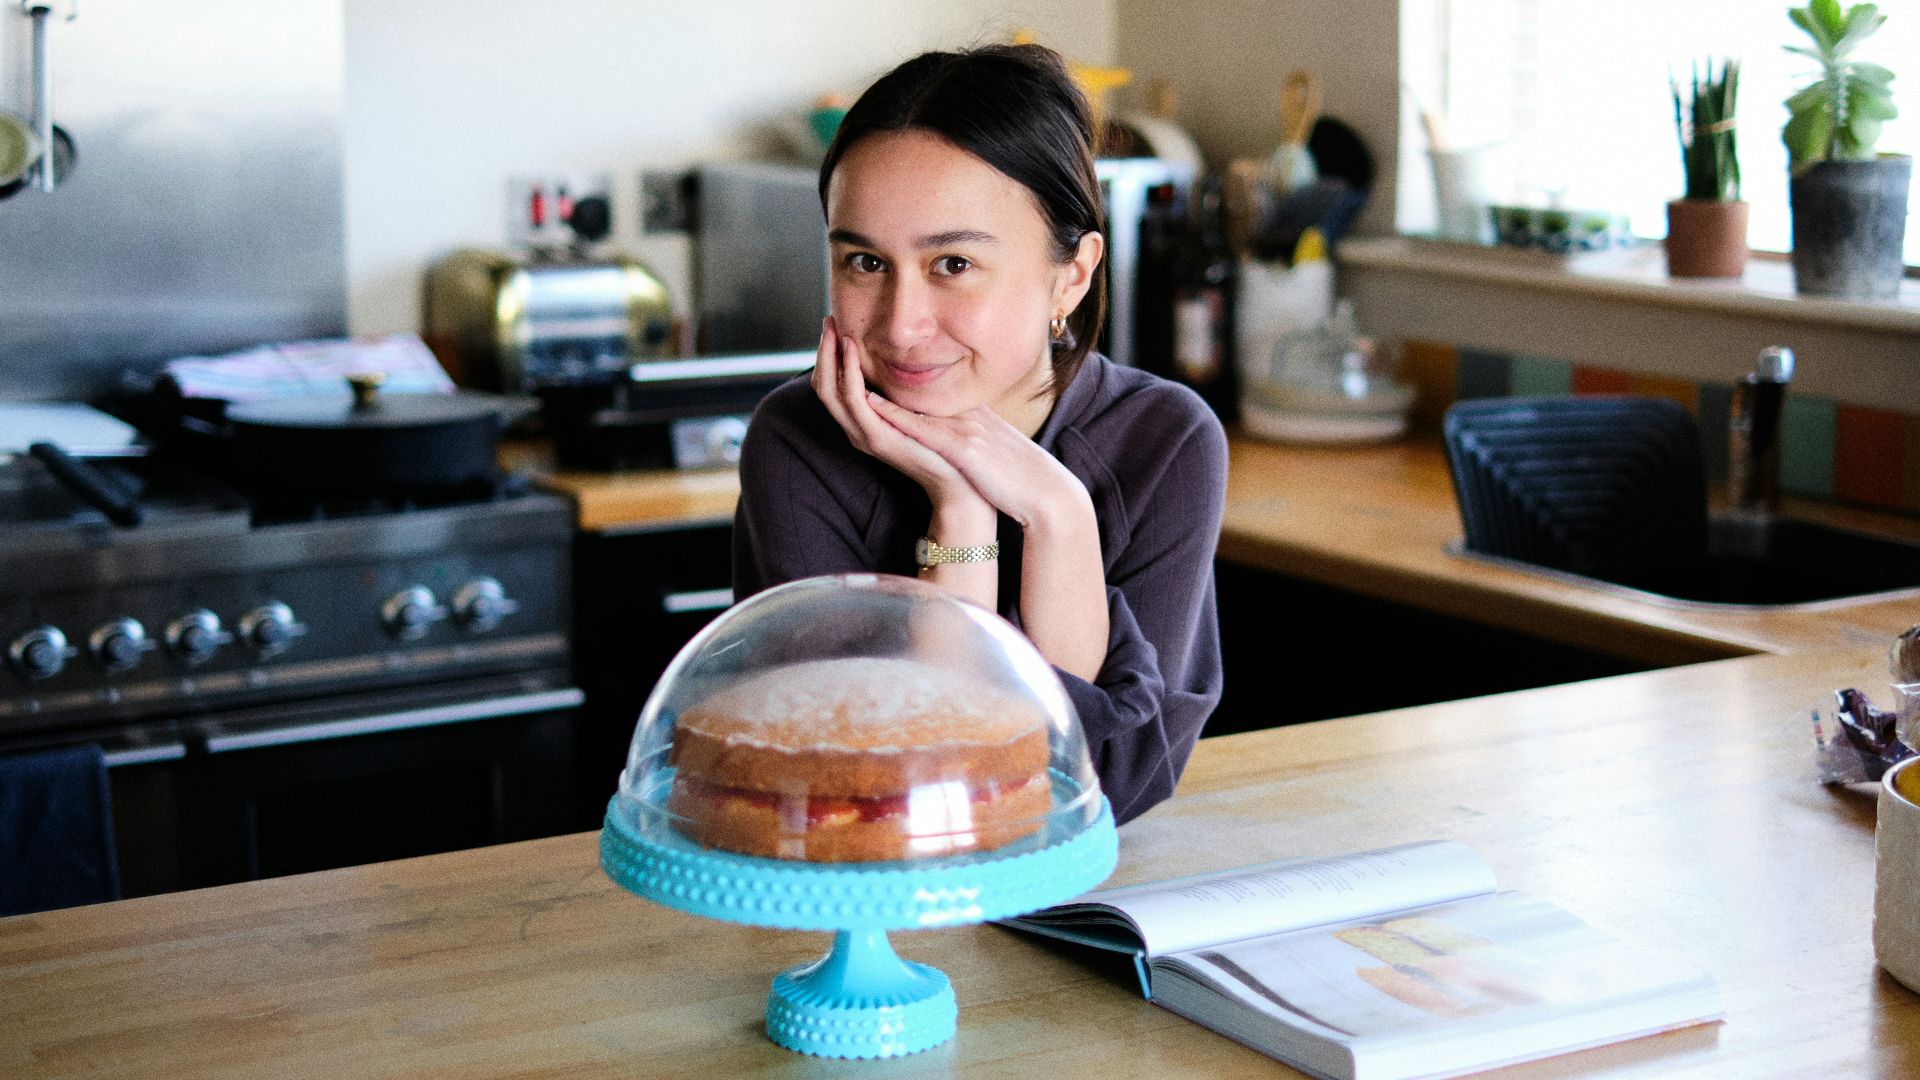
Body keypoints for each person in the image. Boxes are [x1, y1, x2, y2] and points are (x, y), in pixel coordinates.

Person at [731, 43, 1227, 825]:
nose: (901, 324)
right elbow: (880, 790)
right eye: (864, 261)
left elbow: (1109, 786)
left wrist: (1058, 514)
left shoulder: (1164, 440)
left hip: (1086, 903)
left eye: (953, 264)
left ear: (1073, 274)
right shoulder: (798, 441)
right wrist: (959, 508)